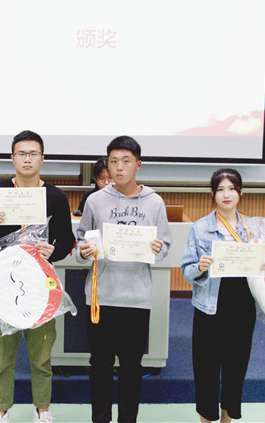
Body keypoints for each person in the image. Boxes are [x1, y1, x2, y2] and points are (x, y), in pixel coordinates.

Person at [0, 130, 75, 423]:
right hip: (3, 283)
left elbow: (67, 240)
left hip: (41, 282)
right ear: (12, 158)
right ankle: (1, 408)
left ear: (42, 158)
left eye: (33, 154)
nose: (27, 159)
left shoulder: (55, 196)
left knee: (41, 350)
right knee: (3, 352)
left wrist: (54, 250)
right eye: (21, 153)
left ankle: (42, 408)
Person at [76, 136, 172, 423]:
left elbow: (165, 246)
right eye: (113, 161)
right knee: (100, 365)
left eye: (126, 161)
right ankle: (100, 419)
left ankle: (128, 419)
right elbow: (81, 242)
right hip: (101, 297)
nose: (119, 167)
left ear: (138, 165)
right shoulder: (95, 200)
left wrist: (158, 249)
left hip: (137, 298)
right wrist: (83, 252)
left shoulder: (154, 202)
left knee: (132, 366)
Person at [180, 168, 265, 423]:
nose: (226, 195)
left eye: (232, 189)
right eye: (220, 189)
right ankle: (206, 419)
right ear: (213, 193)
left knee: (236, 367)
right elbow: (187, 270)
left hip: (242, 305)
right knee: (205, 368)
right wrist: (200, 267)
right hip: (209, 305)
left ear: (240, 192)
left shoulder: (254, 226)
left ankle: (227, 419)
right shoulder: (200, 228)